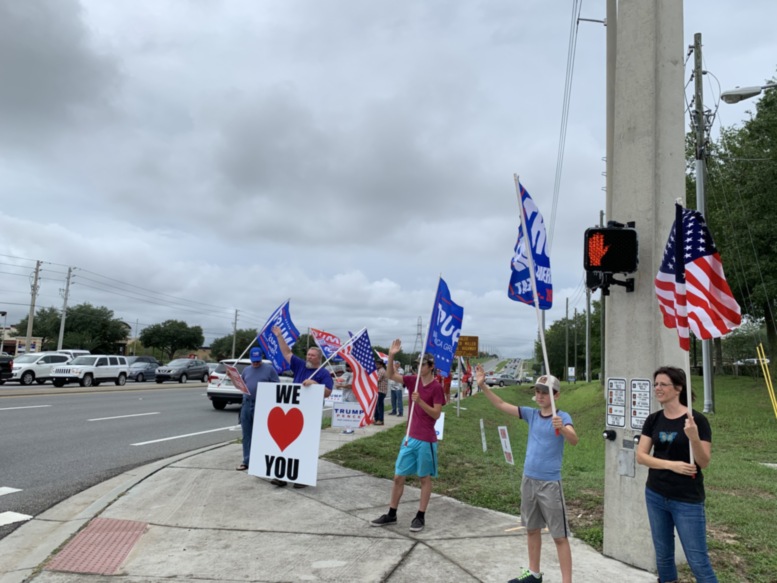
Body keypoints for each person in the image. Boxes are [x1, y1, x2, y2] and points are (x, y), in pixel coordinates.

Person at [474, 365, 578, 583]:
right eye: (537, 391)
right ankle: (533, 574)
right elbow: (502, 404)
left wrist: (564, 428)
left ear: (556, 395)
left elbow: (574, 440)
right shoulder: (531, 414)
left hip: (550, 484)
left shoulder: (562, 416)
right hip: (529, 479)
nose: (539, 395)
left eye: (544, 392)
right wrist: (483, 386)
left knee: (559, 536)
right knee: (532, 529)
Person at [636, 366, 717, 583]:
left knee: (698, 561)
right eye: (656, 384)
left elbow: (704, 462)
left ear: (678, 388)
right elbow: (641, 456)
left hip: (687, 499)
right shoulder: (653, 419)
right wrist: (671, 465)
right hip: (655, 494)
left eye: (663, 384)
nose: (657, 388)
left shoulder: (696, 421)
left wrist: (693, 437)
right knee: (663, 556)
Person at [371, 340, 445, 533]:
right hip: (409, 437)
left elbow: (436, 414)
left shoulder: (436, 387)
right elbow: (390, 375)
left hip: (426, 440)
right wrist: (392, 355)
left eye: (423, 364)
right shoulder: (413, 380)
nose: (419, 368)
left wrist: (420, 401)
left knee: (424, 478)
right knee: (398, 476)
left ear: (431, 367)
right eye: (417, 364)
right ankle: (391, 513)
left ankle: (420, 516)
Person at [270, 326, 334, 488]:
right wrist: (279, 336)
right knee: (286, 444)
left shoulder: (323, 373)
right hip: (292, 412)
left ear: (318, 358)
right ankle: (282, 476)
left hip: (309, 416)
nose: (308, 356)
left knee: (304, 446)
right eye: (308, 354)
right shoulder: (299, 366)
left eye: (312, 355)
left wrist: (315, 384)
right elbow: (286, 353)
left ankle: (302, 477)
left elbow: (327, 393)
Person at [236, 347, 279, 471]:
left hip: (261, 404)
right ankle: (247, 461)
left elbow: (277, 385)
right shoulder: (246, 370)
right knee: (247, 434)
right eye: (253, 361)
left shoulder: (269, 370)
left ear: (261, 358)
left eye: (257, 360)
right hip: (246, 402)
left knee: (262, 433)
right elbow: (242, 385)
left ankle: (261, 461)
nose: (255, 363)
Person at [374, 360, 388, 425]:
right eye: (376, 364)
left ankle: (380, 420)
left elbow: (377, 379)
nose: (376, 365)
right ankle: (376, 419)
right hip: (379, 390)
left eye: (377, 364)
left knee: (379, 406)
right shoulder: (379, 370)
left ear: (381, 365)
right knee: (377, 406)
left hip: (381, 390)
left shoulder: (381, 371)